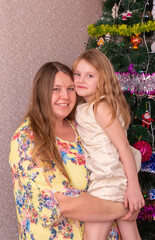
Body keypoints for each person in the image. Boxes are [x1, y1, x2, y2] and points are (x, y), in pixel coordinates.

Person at [9, 61, 138, 240]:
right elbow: (64, 203)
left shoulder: (80, 126)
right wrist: (125, 207)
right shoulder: (27, 138)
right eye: (56, 89)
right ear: (41, 92)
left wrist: (132, 190)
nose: (65, 96)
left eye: (70, 88)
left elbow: (114, 160)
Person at [71, 49, 145, 240]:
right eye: (77, 74)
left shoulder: (100, 106)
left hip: (108, 182)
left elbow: (123, 147)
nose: (80, 80)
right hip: (112, 180)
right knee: (131, 236)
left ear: (102, 79)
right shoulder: (86, 107)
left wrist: (134, 188)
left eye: (89, 75)